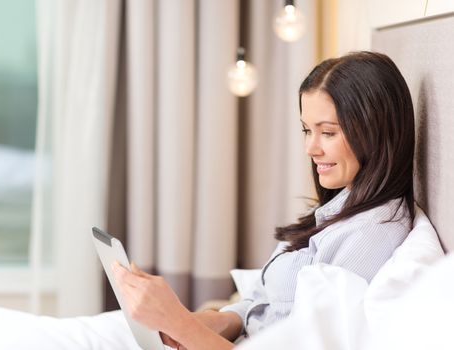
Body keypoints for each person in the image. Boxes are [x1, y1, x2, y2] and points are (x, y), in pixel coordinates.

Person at [113, 51, 415, 350]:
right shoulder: (341, 208)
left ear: (375, 131)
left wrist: (181, 324)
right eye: (307, 130)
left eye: (328, 133)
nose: (311, 148)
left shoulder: (371, 236)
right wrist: (215, 321)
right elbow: (265, 303)